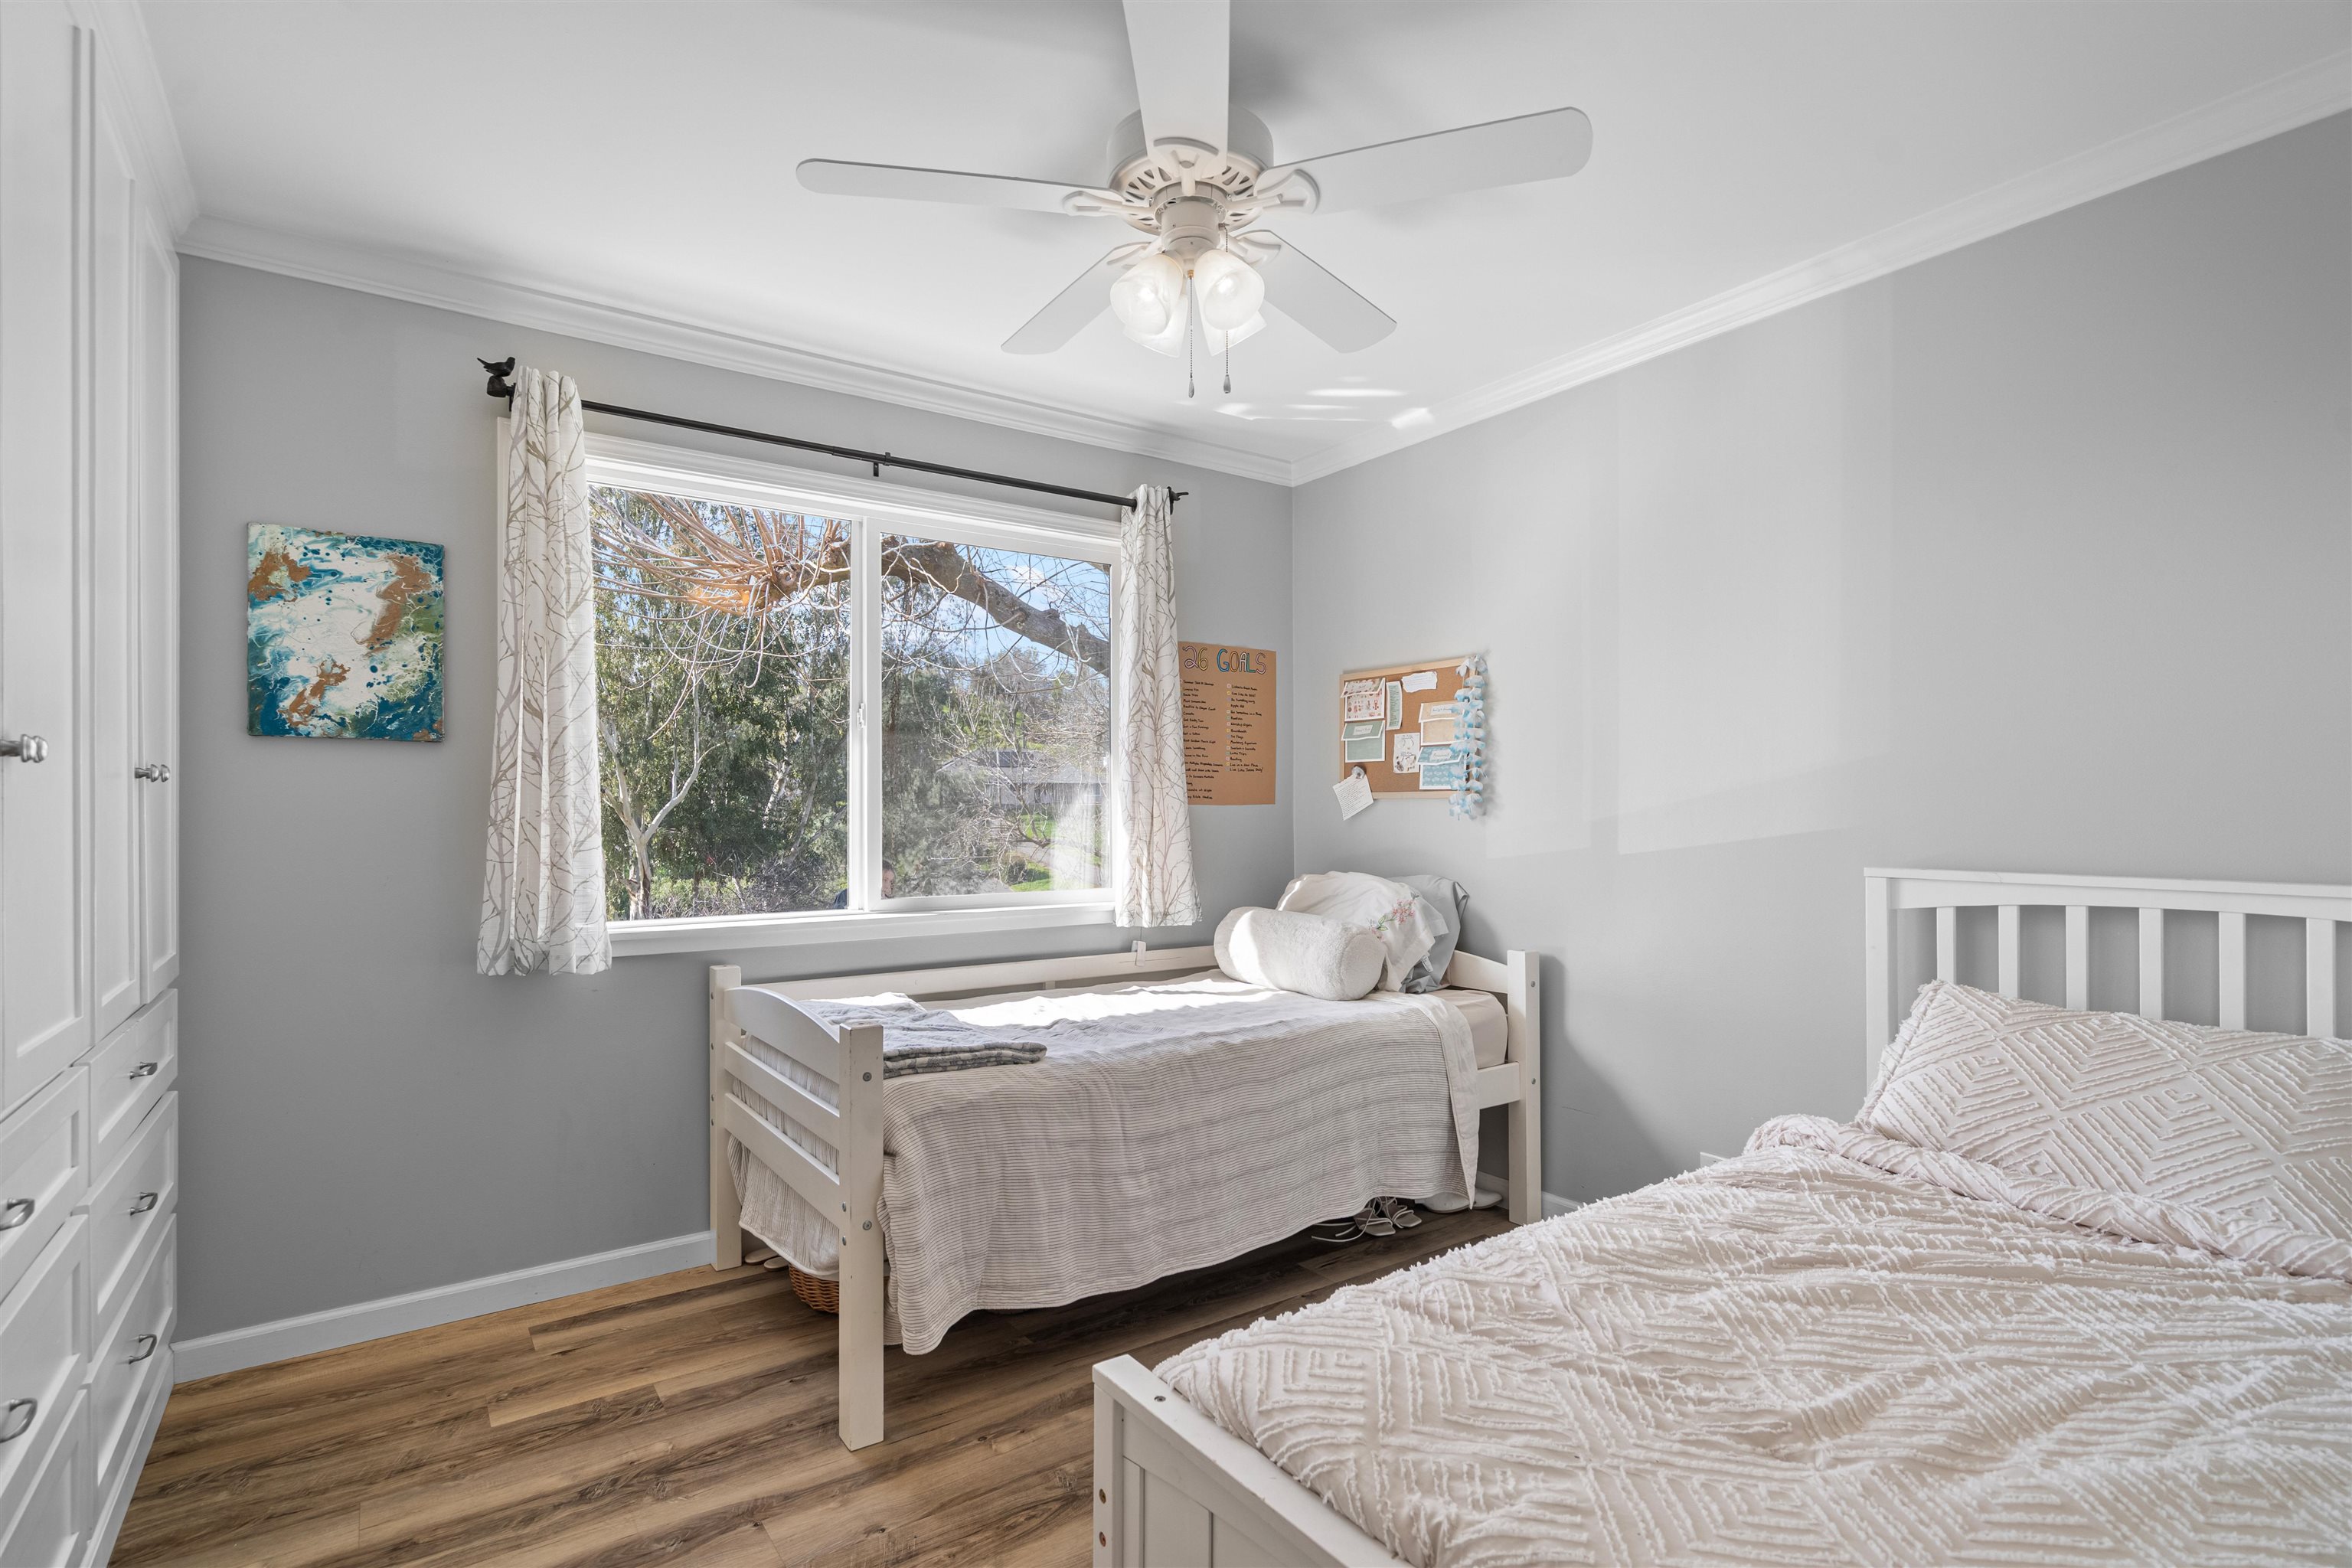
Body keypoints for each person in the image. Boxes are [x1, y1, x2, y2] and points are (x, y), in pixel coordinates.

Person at [829, 861, 896, 909]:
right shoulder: (847, 896)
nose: (888, 886)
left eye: (890, 882)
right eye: (884, 880)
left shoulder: (887, 902)